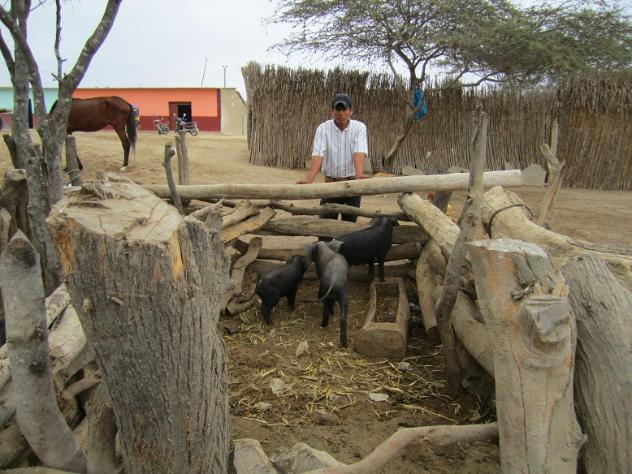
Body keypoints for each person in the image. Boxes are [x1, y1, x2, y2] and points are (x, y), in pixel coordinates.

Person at [297, 92, 369, 222]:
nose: (341, 113)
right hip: (330, 185)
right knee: (325, 225)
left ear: (350, 111)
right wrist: (309, 179)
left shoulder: (359, 128)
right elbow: (318, 153)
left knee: (350, 227)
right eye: (337, 109)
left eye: (344, 109)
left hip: (352, 184)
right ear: (332, 111)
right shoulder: (323, 129)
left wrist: (359, 175)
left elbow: (358, 151)